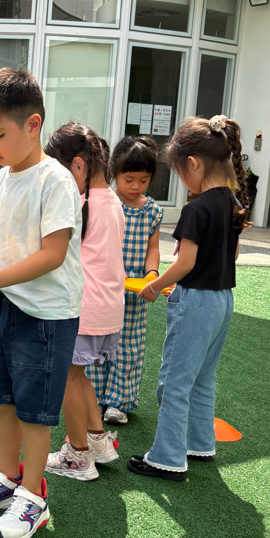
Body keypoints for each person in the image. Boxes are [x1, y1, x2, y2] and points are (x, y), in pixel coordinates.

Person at [0, 68, 84, 538]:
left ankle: (33, 497)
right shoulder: (1, 179)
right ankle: (7, 479)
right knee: (2, 401)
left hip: (48, 315)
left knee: (34, 413)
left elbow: (52, 254)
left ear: (33, 124)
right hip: (9, 305)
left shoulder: (55, 180)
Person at [128, 115, 249, 481]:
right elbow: (233, 255)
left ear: (193, 164)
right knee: (203, 377)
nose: (183, 181)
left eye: (181, 173)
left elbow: (185, 263)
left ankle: (166, 457)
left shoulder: (196, 209)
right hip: (223, 301)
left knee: (174, 382)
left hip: (195, 301)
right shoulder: (232, 201)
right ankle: (199, 443)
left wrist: (154, 285)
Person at [43, 123, 125, 480]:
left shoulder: (79, 204)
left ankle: (77, 455)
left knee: (67, 379)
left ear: (78, 165)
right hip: (108, 308)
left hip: (83, 309)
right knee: (78, 376)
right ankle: (97, 440)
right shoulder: (114, 202)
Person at [88, 136, 163, 426]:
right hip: (104, 287)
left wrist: (152, 274)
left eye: (143, 181)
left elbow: (153, 248)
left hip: (134, 293)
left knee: (129, 347)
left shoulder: (152, 211)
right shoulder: (104, 202)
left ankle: (118, 401)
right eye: (129, 179)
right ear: (113, 172)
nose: (135, 187)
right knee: (97, 343)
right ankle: (93, 397)